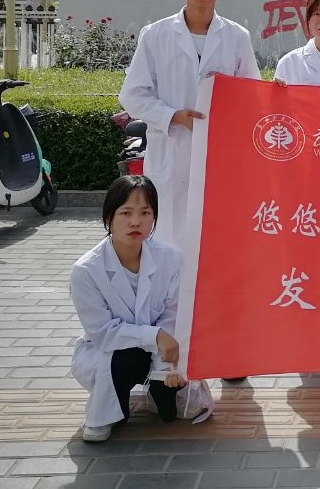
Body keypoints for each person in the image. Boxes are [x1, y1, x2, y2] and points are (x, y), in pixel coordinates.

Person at [118, 0, 259, 246]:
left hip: (219, 152)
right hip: (171, 149)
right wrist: (173, 116)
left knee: (216, 234)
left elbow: (252, 95)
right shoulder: (155, 35)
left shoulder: (237, 37)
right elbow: (132, 95)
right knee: (168, 234)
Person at [70, 176, 212, 442]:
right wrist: (154, 336)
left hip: (164, 347)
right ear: (109, 218)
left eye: (145, 213)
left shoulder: (171, 257)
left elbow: (174, 313)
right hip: (111, 352)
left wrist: (167, 366)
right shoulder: (86, 270)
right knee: (123, 362)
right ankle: (108, 410)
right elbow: (103, 332)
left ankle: (158, 390)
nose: (136, 222)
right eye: (126, 213)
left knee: (171, 409)